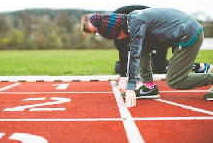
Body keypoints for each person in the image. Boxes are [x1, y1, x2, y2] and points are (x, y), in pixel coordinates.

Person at [80, 7, 213, 108]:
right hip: (177, 32)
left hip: (189, 34)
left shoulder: (136, 24)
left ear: (117, 32)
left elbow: (134, 55)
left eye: (114, 37)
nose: (117, 40)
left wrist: (131, 87)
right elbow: (136, 51)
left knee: (175, 80)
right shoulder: (130, 20)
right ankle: (149, 87)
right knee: (142, 48)